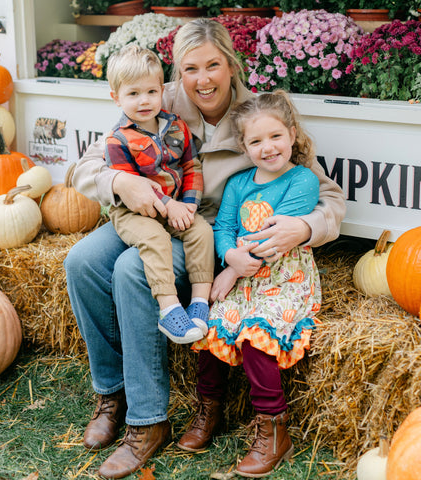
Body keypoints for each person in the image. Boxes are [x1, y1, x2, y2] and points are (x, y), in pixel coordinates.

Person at [63, 18, 346, 480]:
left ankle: (148, 422)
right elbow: (89, 164)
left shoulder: (259, 116)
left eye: (214, 65)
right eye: (191, 68)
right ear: (176, 72)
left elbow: (330, 197)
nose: (204, 79)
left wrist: (304, 226)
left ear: (231, 65)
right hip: (149, 212)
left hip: (208, 233)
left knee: (134, 270)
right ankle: (112, 393)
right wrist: (119, 181)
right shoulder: (158, 97)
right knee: (82, 262)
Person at [182, 90, 322, 478]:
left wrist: (231, 270)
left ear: (292, 134)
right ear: (244, 147)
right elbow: (224, 227)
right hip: (244, 272)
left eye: (275, 136)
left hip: (283, 275)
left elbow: (274, 239)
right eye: (256, 141)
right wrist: (227, 257)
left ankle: (274, 427)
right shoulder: (240, 183)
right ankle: (209, 409)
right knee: (210, 328)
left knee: (256, 333)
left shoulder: (302, 180)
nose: (268, 147)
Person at [104, 44, 214, 344]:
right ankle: (169, 308)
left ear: (162, 91)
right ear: (116, 97)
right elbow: (135, 186)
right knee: (155, 239)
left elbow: (191, 165)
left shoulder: (176, 127)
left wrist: (189, 206)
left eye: (151, 92)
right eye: (133, 94)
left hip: (176, 205)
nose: (144, 101)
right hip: (134, 211)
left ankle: (200, 303)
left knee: (202, 231)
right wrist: (169, 206)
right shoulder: (118, 139)